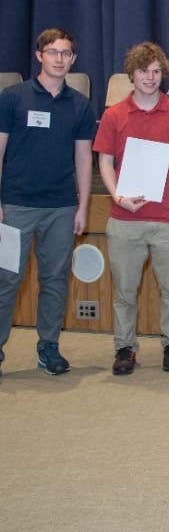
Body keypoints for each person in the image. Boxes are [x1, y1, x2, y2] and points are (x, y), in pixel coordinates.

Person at [0, 29, 96, 380]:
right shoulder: (13, 98)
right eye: (53, 52)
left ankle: (49, 347)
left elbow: (83, 160)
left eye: (66, 53)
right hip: (15, 206)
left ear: (73, 59)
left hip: (61, 207)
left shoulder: (80, 105)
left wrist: (82, 207)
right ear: (39, 55)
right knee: (6, 279)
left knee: (54, 280)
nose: (59, 58)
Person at [94, 42, 169, 376]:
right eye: (144, 71)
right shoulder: (114, 115)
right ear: (131, 74)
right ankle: (124, 348)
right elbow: (105, 162)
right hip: (125, 218)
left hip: (168, 217)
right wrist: (118, 196)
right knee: (124, 291)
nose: (150, 77)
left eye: (156, 71)